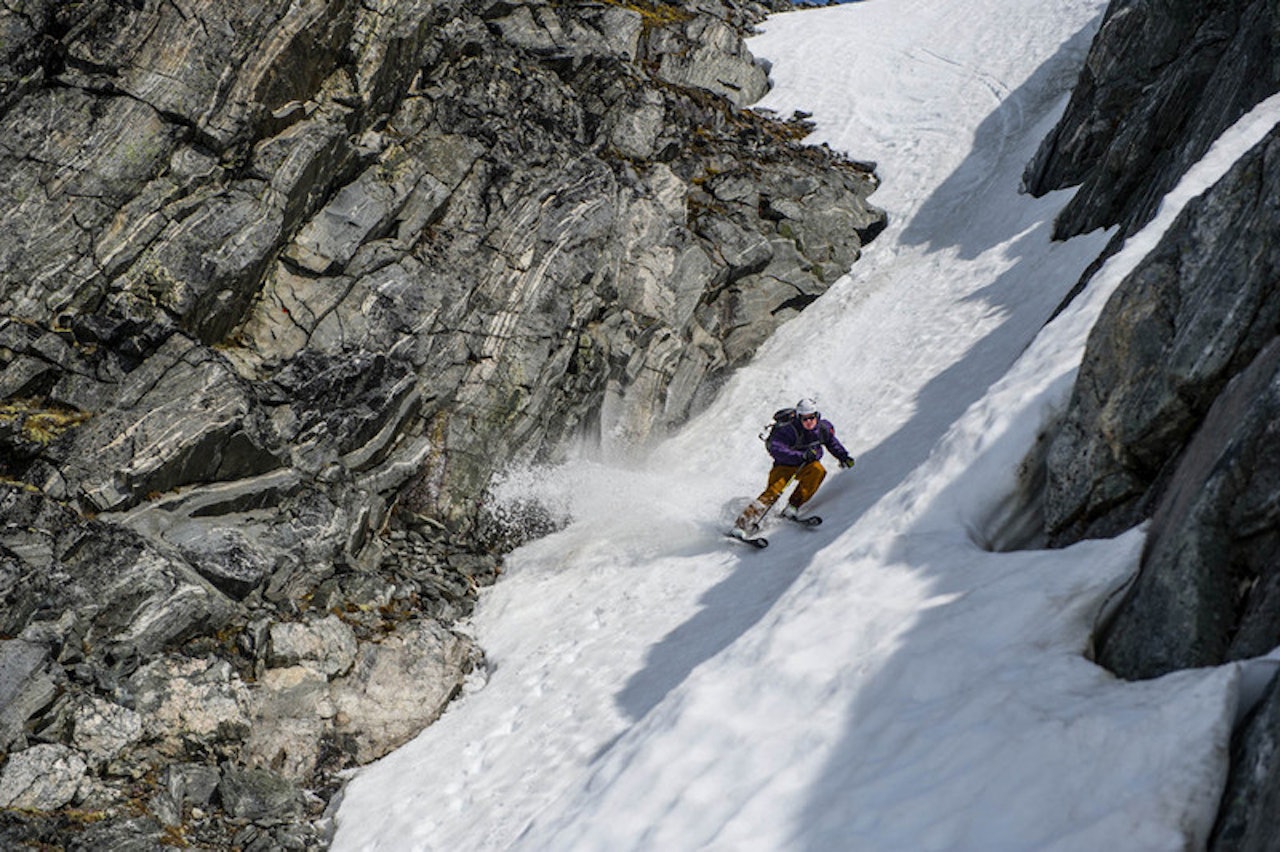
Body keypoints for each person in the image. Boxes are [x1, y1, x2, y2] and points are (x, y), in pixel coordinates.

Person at [732, 398, 854, 538]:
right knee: (773, 492)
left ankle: (793, 506)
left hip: (806, 465)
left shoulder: (823, 429)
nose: (808, 422)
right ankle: (741, 524)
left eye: (811, 418)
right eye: (804, 419)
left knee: (818, 471)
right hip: (784, 465)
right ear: (798, 417)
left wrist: (844, 457)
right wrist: (801, 455)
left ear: (817, 416)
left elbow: (832, 443)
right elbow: (776, 449)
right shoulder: (788, 430)